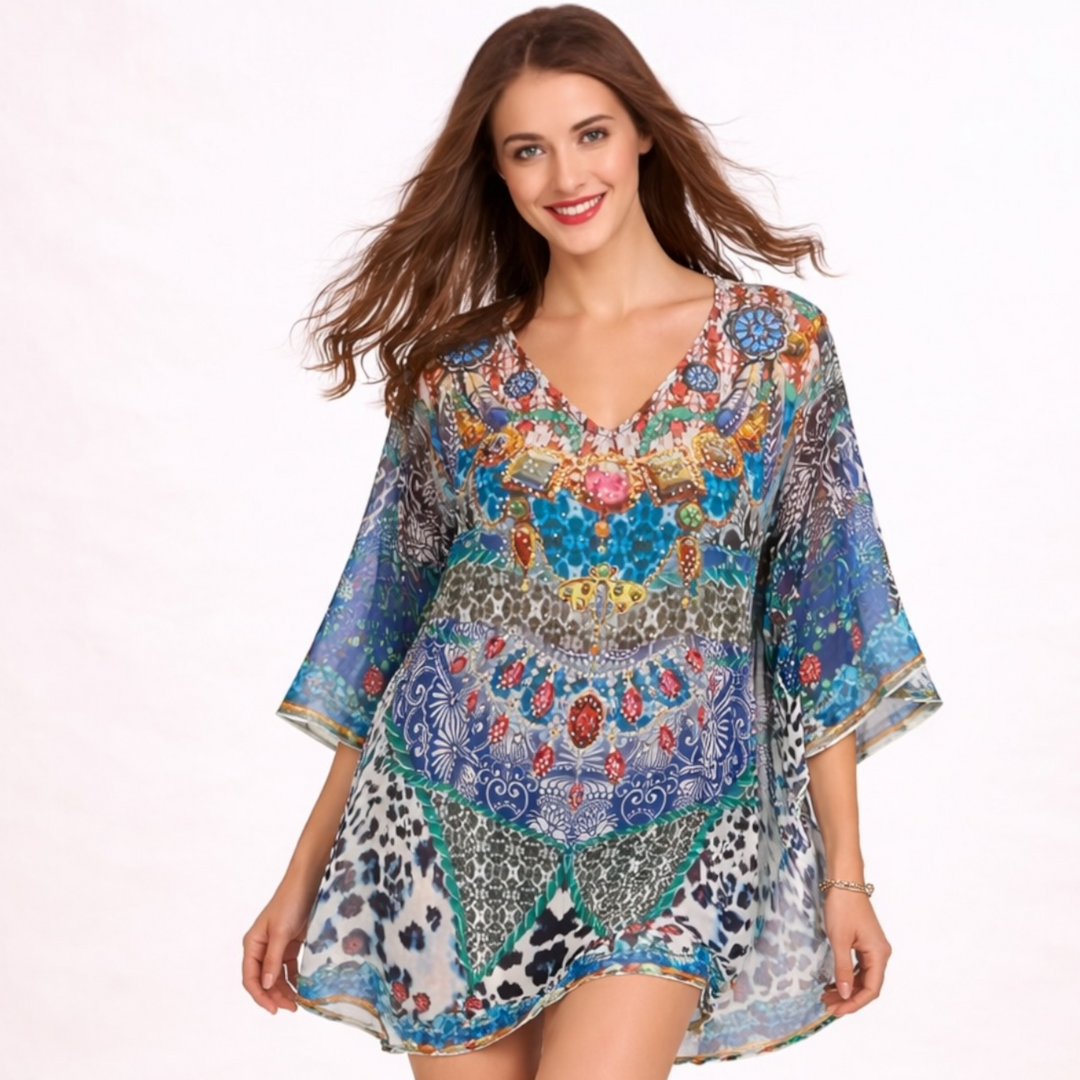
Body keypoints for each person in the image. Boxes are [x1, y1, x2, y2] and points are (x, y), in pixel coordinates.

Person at [241, 5, 943, 1078]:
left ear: (643, 132)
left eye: (591, 133)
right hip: (445, 816)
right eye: (527, 149)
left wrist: (848, 877)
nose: (565, 174)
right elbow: (385, 627)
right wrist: (301, 878)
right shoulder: (458, 375)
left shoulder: (774, 347)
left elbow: (822, 621)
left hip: (680, 824)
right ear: (497, 170)